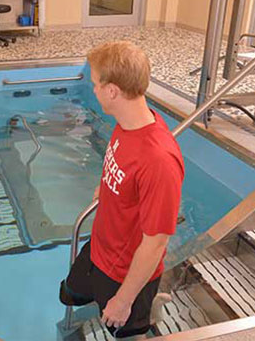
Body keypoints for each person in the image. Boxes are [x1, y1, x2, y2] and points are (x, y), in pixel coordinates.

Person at [59, 41, 184, 339]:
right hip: (100, 248)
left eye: (95, 84)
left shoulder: (159, 160)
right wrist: (104, 188)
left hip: (124, 273)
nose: (93, 90)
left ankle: (148, 307)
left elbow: (155, 243)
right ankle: (148, 305)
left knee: (127, 333)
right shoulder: (128, 122)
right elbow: (119, 164)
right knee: (69, 295)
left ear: (112, 91)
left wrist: (124, 300)